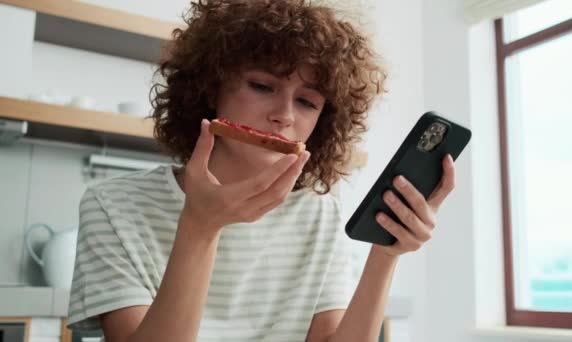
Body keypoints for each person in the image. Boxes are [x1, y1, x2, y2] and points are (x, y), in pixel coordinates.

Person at [66, 1, 456, 341]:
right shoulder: (112, 206)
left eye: (306, 102)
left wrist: (386, 255)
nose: (284, 115)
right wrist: (199, 228)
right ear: (209, 89)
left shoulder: (319, 212)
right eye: (262, 86)